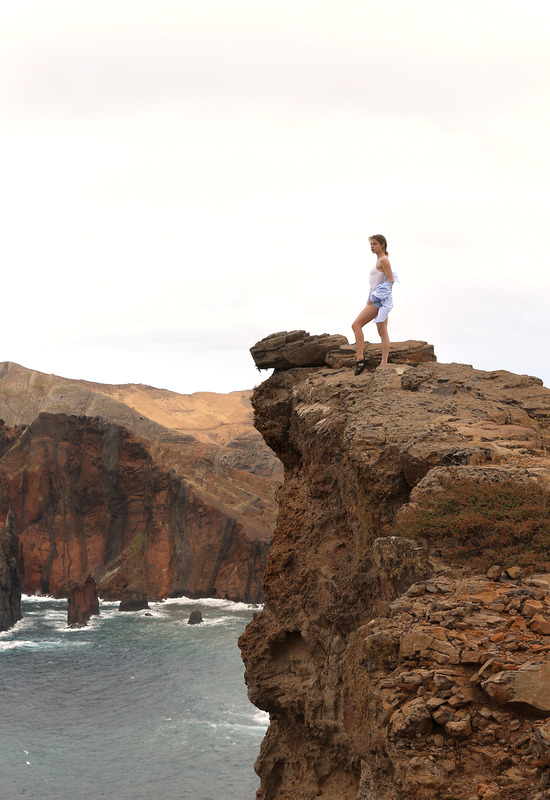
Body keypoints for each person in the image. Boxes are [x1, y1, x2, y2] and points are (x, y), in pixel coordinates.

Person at [351, 234, 396, 375]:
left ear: (383, 245)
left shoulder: (384, 260)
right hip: (375, 297)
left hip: (377, 299)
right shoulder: (379, 260)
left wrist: (375, 295)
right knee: (382, 332)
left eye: (375, 244)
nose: (372, 246)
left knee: (356, 325)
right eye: (371, 244)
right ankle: (383, 363)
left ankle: (360, 358)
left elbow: (390, 280)